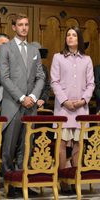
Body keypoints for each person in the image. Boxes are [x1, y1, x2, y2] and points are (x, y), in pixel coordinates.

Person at [0, 13, 45, 195]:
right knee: (9, 147)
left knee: (27, 145)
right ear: (13, 27)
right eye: (20, 24)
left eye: (26, 24)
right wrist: (21, 97)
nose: (24, 27)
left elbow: (40, 76)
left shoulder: (34, 50)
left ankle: (23, 182)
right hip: (13, 104)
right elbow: (4, 77)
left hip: (31, 105)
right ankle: (10, 185)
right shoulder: (5, 48)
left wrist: (32, 96)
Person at [50, 26, 94, 193]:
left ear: (79, 39)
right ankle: (63, 180)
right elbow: (54, 81)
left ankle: (75, 178)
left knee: (78, 144)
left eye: (74, 35)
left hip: (81, 109)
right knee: (61, 143)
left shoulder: (87, 59)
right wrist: (65, 101)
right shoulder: (58, 57)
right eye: (68, 35)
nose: (70, 37)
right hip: (63, 109)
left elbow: (91, 83)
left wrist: (83, 100)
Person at [32, 41, 50, 109]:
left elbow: (47, 86)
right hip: (26, 104)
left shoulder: (44, 68)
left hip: (40, 105)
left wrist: (43, 99)